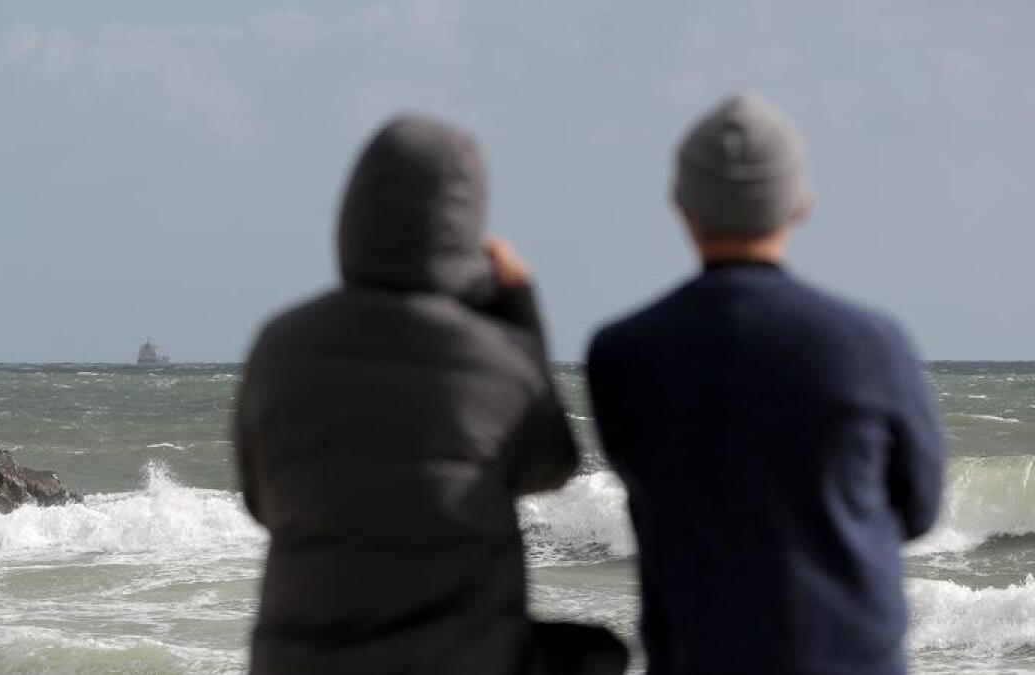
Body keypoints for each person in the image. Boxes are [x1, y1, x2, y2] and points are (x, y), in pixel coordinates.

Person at [236, 114, 628, 675]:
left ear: (353, 215)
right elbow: (551, 468)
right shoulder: (498, 355)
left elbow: (260, 502)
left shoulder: (278, 344)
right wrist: (521, 316)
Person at [586, 91, 946, 675]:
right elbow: (920, 507)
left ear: (682, 204)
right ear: (799, 204)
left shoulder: (622, 352)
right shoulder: (873, 343)